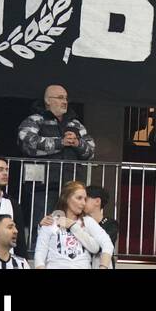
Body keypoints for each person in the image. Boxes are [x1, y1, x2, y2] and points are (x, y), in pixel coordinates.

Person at [16, 85, 95, 245]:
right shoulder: (35, 119)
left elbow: (91, 151)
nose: (64, 101)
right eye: (60, 98)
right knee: (43, 226)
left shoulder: (75, 124)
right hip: (43, 187)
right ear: (47, 101)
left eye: (66, 98)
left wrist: (77, 143)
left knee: (72, 229)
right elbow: (27, 143)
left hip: (71, 188)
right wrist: (61, 143)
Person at [33, 181, 114, 269]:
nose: (83, 203)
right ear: (66, 198)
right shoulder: (51, 221)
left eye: (85, 199)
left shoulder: (87, 221)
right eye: (79, 198)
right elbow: (40, 253)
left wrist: (103, 267)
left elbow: (107, 243)